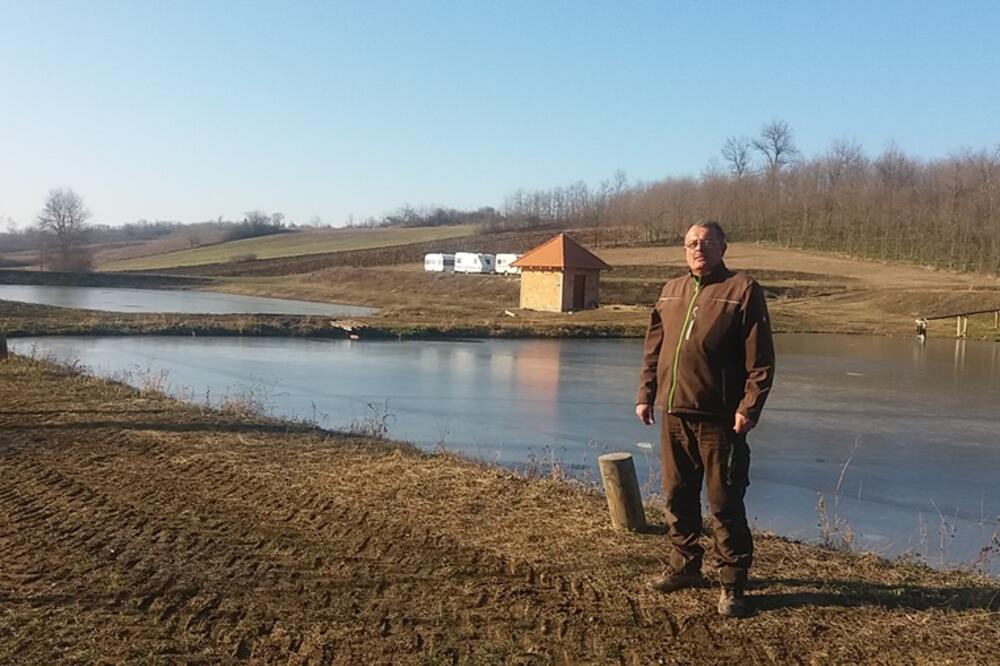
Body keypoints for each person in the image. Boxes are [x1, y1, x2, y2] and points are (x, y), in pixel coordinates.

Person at [635, 221, 775, 618]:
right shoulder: (670, 291)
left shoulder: (742, 290)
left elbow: (761, 360)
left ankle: (732, 584)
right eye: (692, 243)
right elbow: (653, 351)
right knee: (677, 494)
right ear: (684, 250)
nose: (699, 248)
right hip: (673, 412)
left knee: (724, 502)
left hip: (720, 419)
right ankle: (684, 566)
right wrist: (646, 395)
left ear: (722, 247)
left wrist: (749, 407)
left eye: (707, 242)